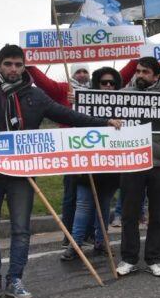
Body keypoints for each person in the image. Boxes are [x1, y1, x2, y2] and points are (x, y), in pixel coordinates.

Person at [0, 45, 119, 298]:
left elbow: (68, 115)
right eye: (8, 64)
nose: (13, 69)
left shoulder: (35, 96)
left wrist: (103, 123)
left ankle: (15, 280)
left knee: (21, 229)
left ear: (24, 67)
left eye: (18, 65)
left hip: (23, 174)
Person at [27, 59, 138, 243]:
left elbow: (122, 75)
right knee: (73, 198)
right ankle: (70, 238)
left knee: (100, 201)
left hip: (104, 157)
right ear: (72, 74)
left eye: (84, 72)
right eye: (78, 72)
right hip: (74, 152)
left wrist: (137, 57)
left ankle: (95, 238)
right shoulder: (65, 90)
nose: (81, 75)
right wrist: (28, 62)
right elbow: (43, 83)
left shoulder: (108, 93)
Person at [117, 57, 160, 278]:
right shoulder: (122, 96)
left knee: (158, 214)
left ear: (157, 76)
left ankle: (155, 258)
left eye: (145, 72)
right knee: (129, 213)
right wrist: (79, 99)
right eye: (138, 71)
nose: (140, 75)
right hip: (132, 161)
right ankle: (128, 258)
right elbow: (96, 110)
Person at [60, 67, 123, 261]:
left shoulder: (124, 105)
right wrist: (74, 105)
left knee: (103, 206)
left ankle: (101, 242)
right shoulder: (83, 104)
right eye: (104, 82)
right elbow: (77, 122)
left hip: (110, 166)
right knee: (83, 205)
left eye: (112, 83)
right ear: (97, 84)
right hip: (88, 163)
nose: (108, 86)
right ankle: (75, 244)